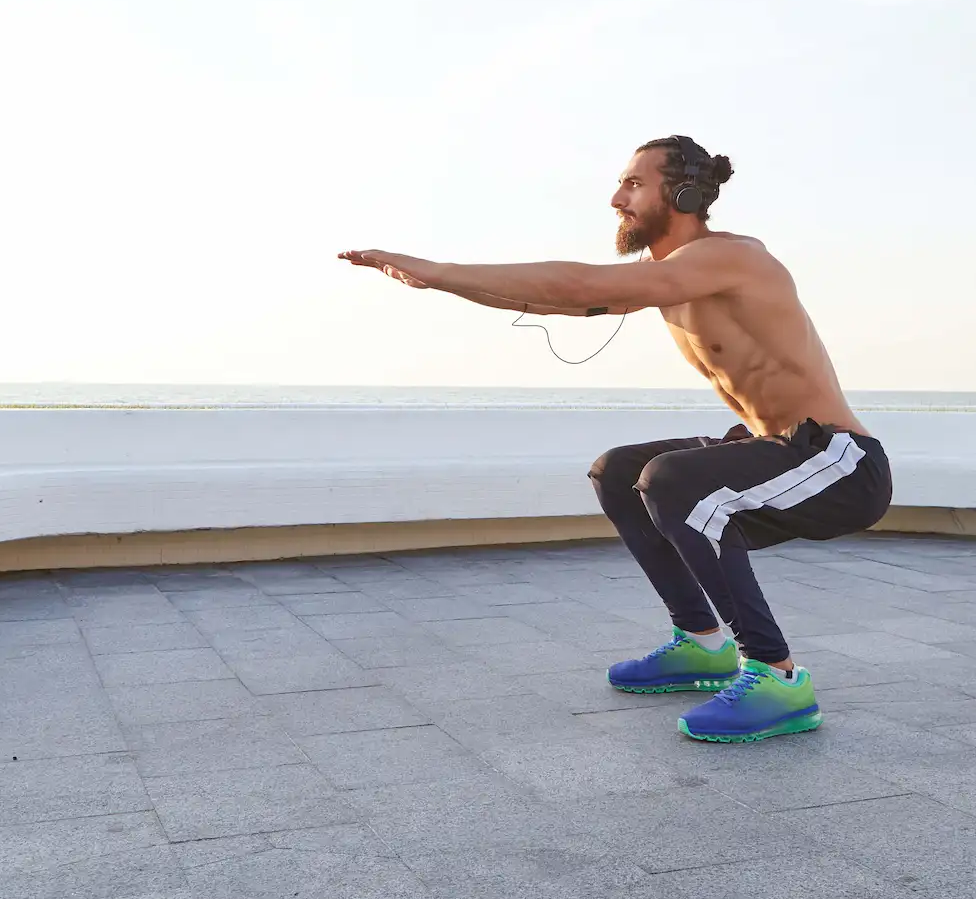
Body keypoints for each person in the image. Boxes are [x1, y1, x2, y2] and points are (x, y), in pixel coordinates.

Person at [338, 135, 892, 742]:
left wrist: (438, 268)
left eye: (632, 184)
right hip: (771, 448)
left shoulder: (732, 258)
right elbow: (552, 299)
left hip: (837, 462)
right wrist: (437, 281)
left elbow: (581, 285)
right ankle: (704, 645)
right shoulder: (670, 275)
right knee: (621, 472)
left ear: (680, 193)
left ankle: (780, 679)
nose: (615, 199)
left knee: (673, 479)